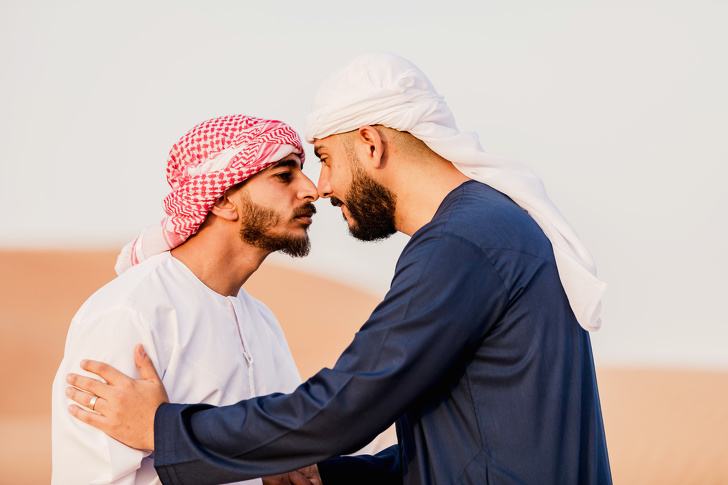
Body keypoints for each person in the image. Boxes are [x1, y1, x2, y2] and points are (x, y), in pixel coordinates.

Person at [66, 53, 613, 484]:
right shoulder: (489, 227)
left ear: (371, 144)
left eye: (324, 158)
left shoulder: (461, 242)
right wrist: (322, 474)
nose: (321, 187)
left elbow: (344, 408)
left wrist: (164, 432)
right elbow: (476, 447)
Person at [52, 115, 322, 485]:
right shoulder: (131, 312)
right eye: (283, 174)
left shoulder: (263, 321)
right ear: (225, 199)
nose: (311, 189)